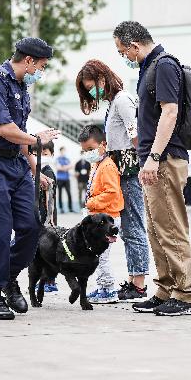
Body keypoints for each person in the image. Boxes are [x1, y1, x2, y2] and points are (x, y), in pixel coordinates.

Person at [0, 37, 60, 320]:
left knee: (31, 228)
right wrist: (36, 140)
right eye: (41, 65)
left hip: (15, 164)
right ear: (28, 60)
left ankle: (7, 277)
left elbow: (18, 134)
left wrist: (34, 168)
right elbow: (4, 128)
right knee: (0, 231)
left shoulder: (22, 87)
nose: (41, 71)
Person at [114, 21, 191, 316]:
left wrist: (154, 156)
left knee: (171, 227)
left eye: (123, 50)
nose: (124, 56)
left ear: (134, 44)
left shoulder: (163, 65)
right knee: (156, 228)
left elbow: (170, 111)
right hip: (152, 160)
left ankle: (183, 294)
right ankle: (164, 289)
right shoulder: (149, 68)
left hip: (164, 159)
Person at [76, 58, 151, 302]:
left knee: (134, 228)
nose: (92, 92)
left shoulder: (122, 100)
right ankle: (132, 280)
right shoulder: (112, 103)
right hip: (121, 173)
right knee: (128, 229)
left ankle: (138, 284)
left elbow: (136, 134)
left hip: (131, 172)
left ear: (102, 78)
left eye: (92, 86)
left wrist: (146, 164)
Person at [76, 125, 125, 304]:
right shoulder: (97, 164)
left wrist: (91, 203)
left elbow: (111, 192)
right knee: (96, 255)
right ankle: (103, 286)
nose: (87, 153)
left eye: (90, 149)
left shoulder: (108, 166)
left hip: (107, 219)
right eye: (84, 151)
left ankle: (109, 289)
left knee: (100, 256)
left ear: (103, 144)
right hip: (98, 217)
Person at [33, 141, 59, 293]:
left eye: (45, 154)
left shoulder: (47, 172)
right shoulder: (35, 171)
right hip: (37, 218)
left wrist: (49, 220)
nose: (41, 157)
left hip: (47, 219)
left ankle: (50, 281)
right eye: (37, 154)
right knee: (39, 252)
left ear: (51, 155)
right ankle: (43, 281)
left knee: (48, 251)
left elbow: (50, 199)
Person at [55, 147, 75, 214]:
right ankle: (61, 208)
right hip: (60, 179)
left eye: (64, 151)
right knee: (60, 194)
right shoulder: (58, 159)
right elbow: (58, 168)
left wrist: (64, 167)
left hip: (67, 179)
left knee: (69, 193)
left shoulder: (67, 159)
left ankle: (70, 208)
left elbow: (72, 166)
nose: (64, 152)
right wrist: (66, 167)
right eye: (63, 151)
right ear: (60, 151)